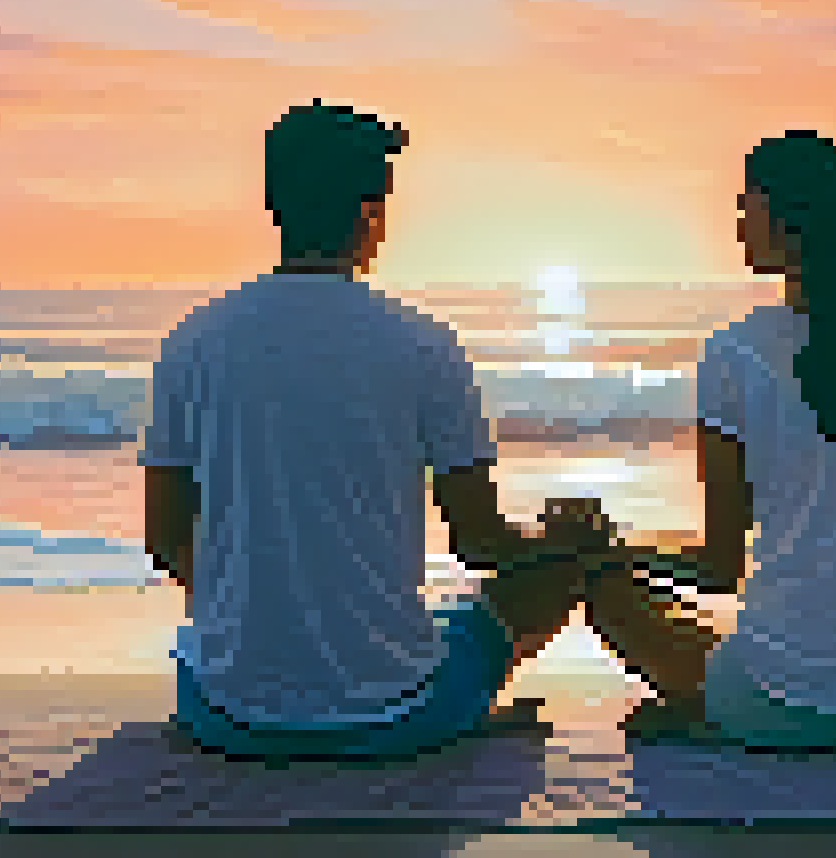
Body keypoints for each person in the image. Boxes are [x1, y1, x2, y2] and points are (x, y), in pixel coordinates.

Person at [139, 100, 617, 761]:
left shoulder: (192, 342)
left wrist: (259, 617)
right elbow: (482, 544)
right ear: (373, 212)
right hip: (395, 716)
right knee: (553, 577)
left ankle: (274, 670)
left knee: (409, 627)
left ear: (272, 204)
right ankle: (456, 705)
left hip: (224, 713)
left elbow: (166, 540)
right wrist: (562, 540)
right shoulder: (423, 345)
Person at [582, 129, 836, 755]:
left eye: (749, 205)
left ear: (788, 223)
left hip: (780, 703)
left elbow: (718, 567)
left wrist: (615, 551)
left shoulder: (735, 352)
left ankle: (712, 713)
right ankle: (723, 699)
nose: (740, 222)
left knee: (606, 592)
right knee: (748, 636)